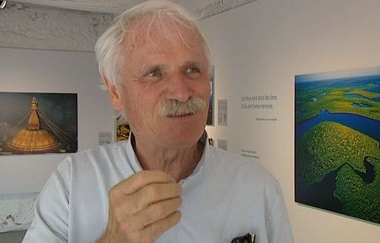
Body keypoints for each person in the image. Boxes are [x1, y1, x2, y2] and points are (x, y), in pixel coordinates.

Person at [23, 1, 294, 242]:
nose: (180, 92)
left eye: (192, 70)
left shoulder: (258, 188)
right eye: (154, 73)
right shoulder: (73, 183)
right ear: (116, 91)